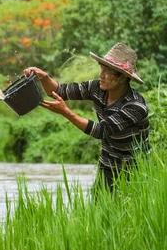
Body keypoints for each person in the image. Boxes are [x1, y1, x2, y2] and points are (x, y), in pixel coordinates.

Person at [24, 43, 150, 193]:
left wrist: (66, 112)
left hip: (134, 169)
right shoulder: (97, 88)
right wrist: (44, 77)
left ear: (122, 77)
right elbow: (60, 90)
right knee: (100, 210)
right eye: (101, 68)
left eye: (107, 71)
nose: (101, 75)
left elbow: (101, 131)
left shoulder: (135, 106)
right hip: (107, 165)